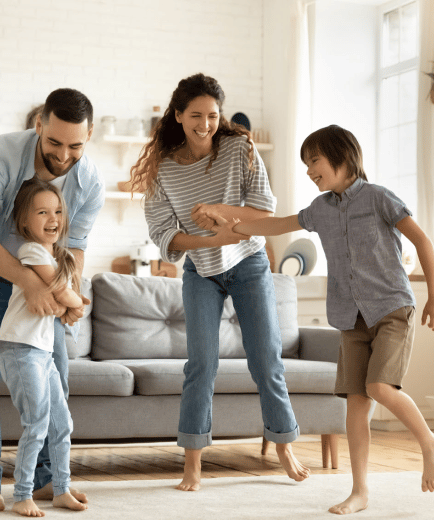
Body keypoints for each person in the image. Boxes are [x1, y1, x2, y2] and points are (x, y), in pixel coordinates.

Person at [222, 124, 434, 515]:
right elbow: (280, 224)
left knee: (378, 387)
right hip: (350, 318)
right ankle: (359, 490)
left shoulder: (379, 198)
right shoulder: (320, 211)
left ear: (343, 156)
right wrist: (234, 227)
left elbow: (422, 241)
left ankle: (431, 441)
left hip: (392, 309)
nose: (309, 170)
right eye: (306, 163)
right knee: (355, 404)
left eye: (315, 160)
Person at [129, 73, 311, 492]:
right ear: (178, 115)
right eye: (196, 115)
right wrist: (212, 237)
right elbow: (163, 234)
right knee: (201, 366)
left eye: (213, 115)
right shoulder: (163, 169)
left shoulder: (239, 147)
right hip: (202, 271)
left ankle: (283, 445)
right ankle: (192, 463)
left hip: (248, 264)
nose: (205, 124)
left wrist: (217, 211)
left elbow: (264, 207)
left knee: (266, 360)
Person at [0, 88, 105, 512]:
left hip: (45, 282)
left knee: (56, 380)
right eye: (54, 142)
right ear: (38, 126)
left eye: (76, 145)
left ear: (89, 136)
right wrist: (31, 284)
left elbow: (77, 247)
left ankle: (49, 479)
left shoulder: (89, 181)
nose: (64, 154)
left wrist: (65, 291)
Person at [0, 177, 88, 517]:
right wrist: (75, 304)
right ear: (24, 222)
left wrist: (71, 303)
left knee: (62, 424)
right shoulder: (31, 250)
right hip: (19, 348)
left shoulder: (55, 255)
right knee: (37, 423)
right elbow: (65, 294)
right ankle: (22, 495)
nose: (53, 219)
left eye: (58, 211)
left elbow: (64, 298)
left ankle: (61, 489)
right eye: (42, 212)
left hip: (42, 352)